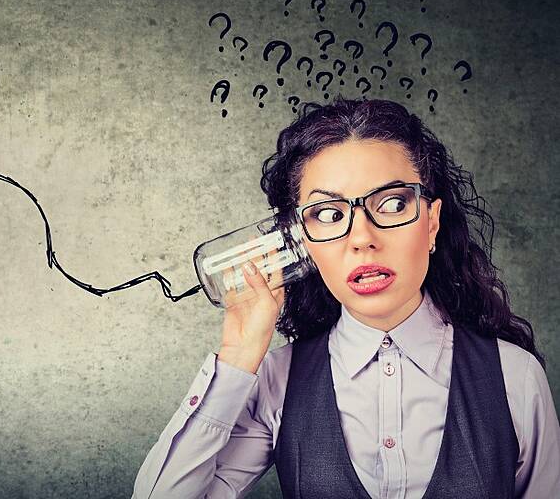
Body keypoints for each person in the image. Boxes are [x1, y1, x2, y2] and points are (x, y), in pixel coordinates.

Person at [132, 97, 560, 498]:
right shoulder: (277, 380)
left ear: (431, 223)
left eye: (391, 203)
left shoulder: (515, 378)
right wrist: (237, 357)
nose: (362, 238)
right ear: (301, 244)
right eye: (330, 214)